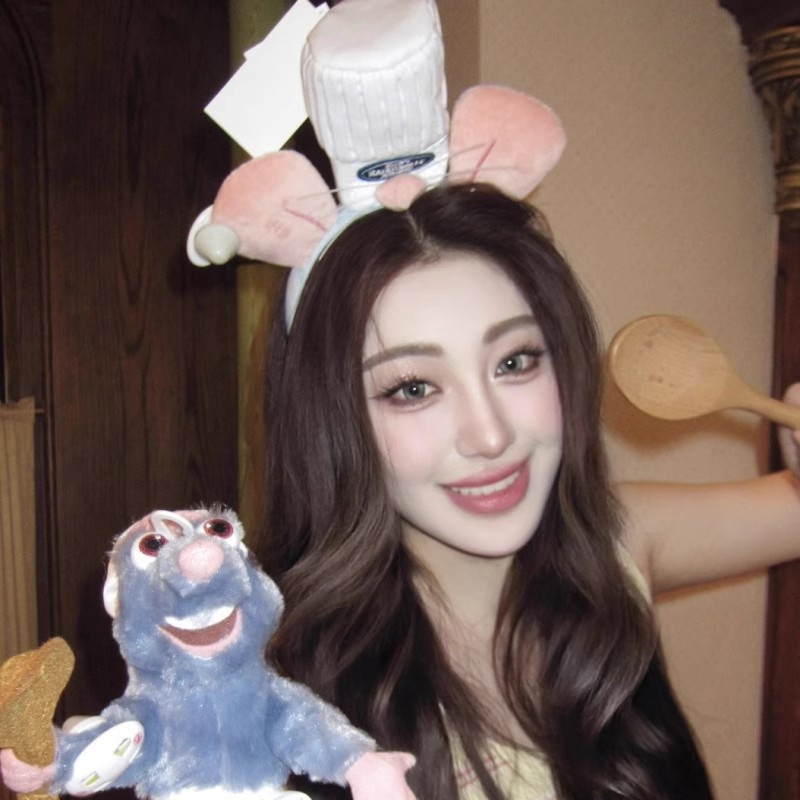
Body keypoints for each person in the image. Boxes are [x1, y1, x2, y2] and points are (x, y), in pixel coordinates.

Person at [258, 181, 800, 800]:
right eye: (412, 388)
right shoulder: (278, 695)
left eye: (514, 362)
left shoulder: (615, 538)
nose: (491, 436)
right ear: (332, 420)